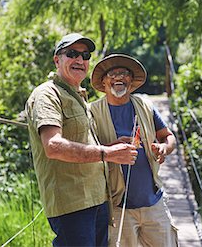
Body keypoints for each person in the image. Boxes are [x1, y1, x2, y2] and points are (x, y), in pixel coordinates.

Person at [25, 34, 138, 247]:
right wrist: (107, 154)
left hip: (98, 198)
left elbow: (82, 140)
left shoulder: (80, 96)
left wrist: (110, 147)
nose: (80, 60)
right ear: (57, 60)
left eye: (85, 55)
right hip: (72, 205)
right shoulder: (46, 94)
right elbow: (53, 146)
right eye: (72, 54)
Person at [89, 54, 179, 247]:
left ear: (131, 81)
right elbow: (87, 153)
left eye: (124, 73)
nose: (118, 77)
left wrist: (164, 148)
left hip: (153, 202)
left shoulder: (145, 106)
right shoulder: (92, 113)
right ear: (103, 82)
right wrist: (110, 150)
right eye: (112, 74)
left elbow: (168, 137)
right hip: (117, 206)